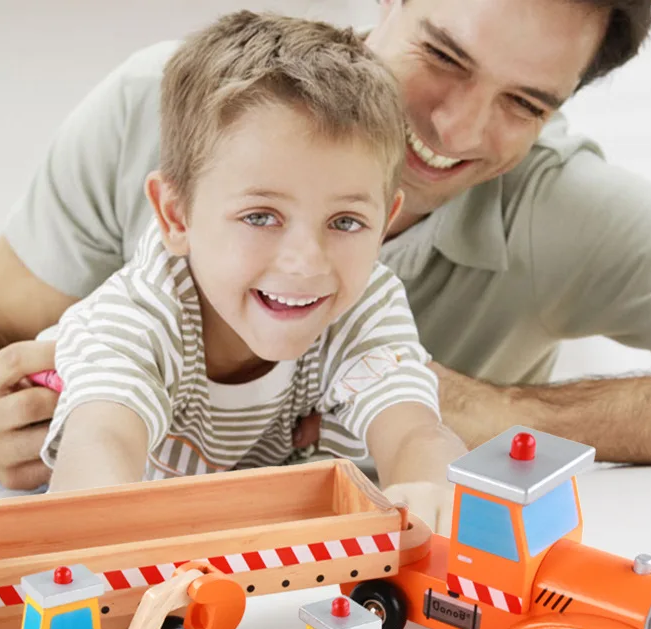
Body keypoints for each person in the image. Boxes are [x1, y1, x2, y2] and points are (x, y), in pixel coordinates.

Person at [0, 0, 651, 492]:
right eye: (444, 55)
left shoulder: (549, 215)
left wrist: (501, 417)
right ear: (174, 212)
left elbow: (414, 437)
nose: (457, 129)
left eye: (524, 103)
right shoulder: (160, 119)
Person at [32, 11, 463, 533]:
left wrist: (429, 491)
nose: (306, 261)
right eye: (260, 217)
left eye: (346, 222)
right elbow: (101, 447)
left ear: (384, 224)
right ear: (176, 215)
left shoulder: (364, 304)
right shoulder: (138, 315)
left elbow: (417, 433)